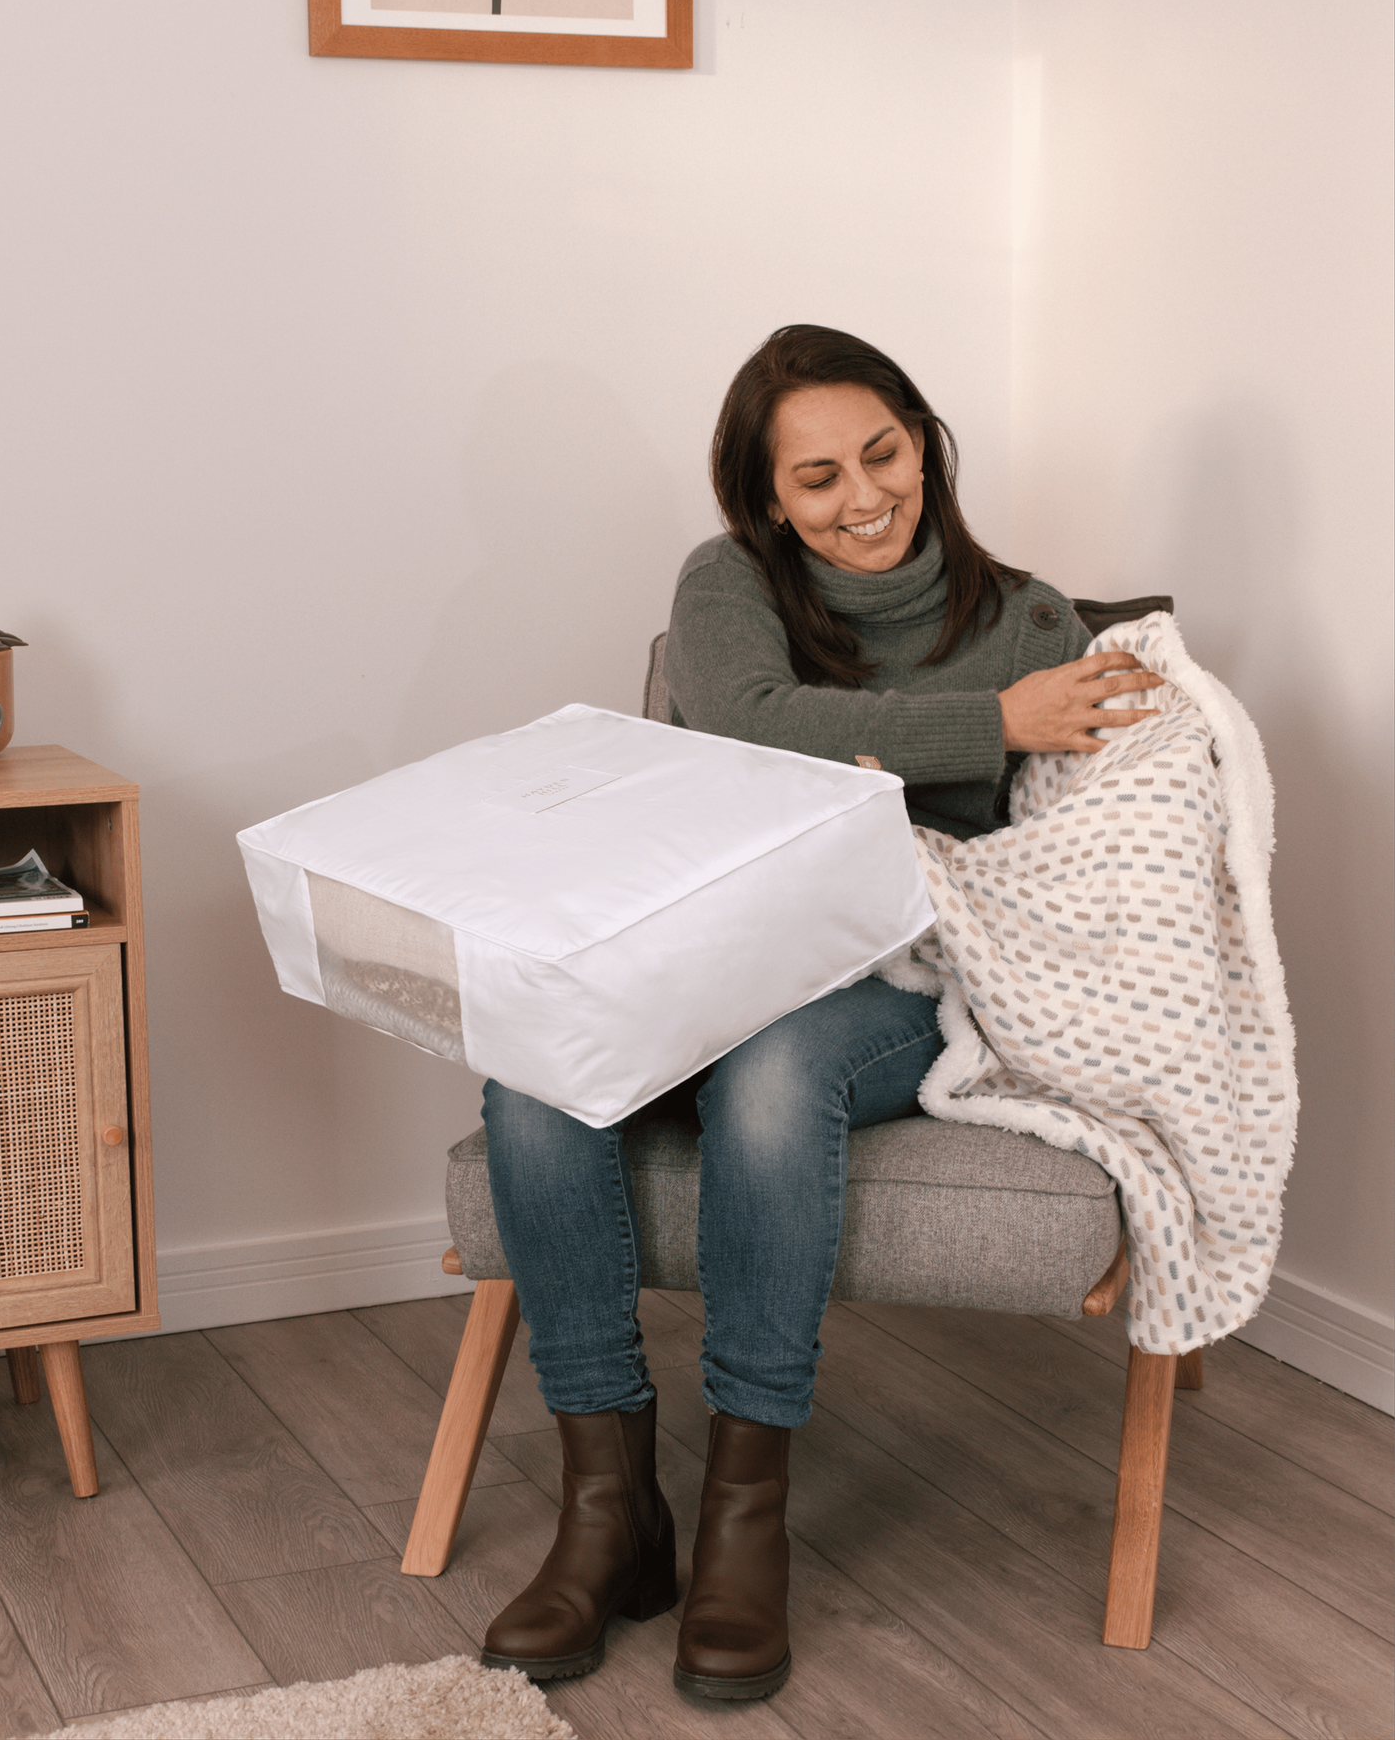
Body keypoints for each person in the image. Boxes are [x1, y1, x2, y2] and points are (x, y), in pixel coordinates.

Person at [477, 325, 1162, 1700]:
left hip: (893, 979)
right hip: (711, 950)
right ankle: (612, 1514)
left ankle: (744, 1518)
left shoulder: (1030, 620)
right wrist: (989, 723)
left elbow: (1010, 841)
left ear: (926, 444)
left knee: (776, 1080)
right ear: (765, 498)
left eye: (884, 454)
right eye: (816, 477)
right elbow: (742, 724)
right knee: (534, 1074)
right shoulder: (728, 584)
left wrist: (928, 721)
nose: (862, 497)